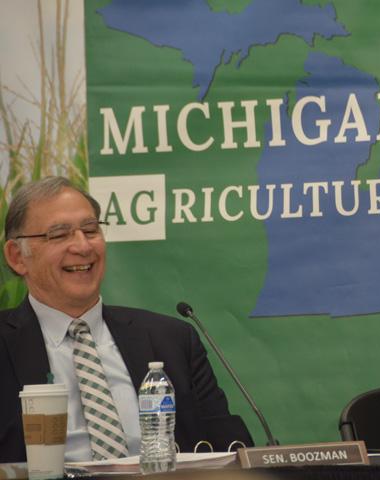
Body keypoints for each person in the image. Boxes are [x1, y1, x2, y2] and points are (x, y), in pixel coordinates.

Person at [0, 177, 253, 462]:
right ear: (17, 256)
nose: (83, 246)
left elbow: (229, 452)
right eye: (59, 235)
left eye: (91, 229)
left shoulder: (172, 340)